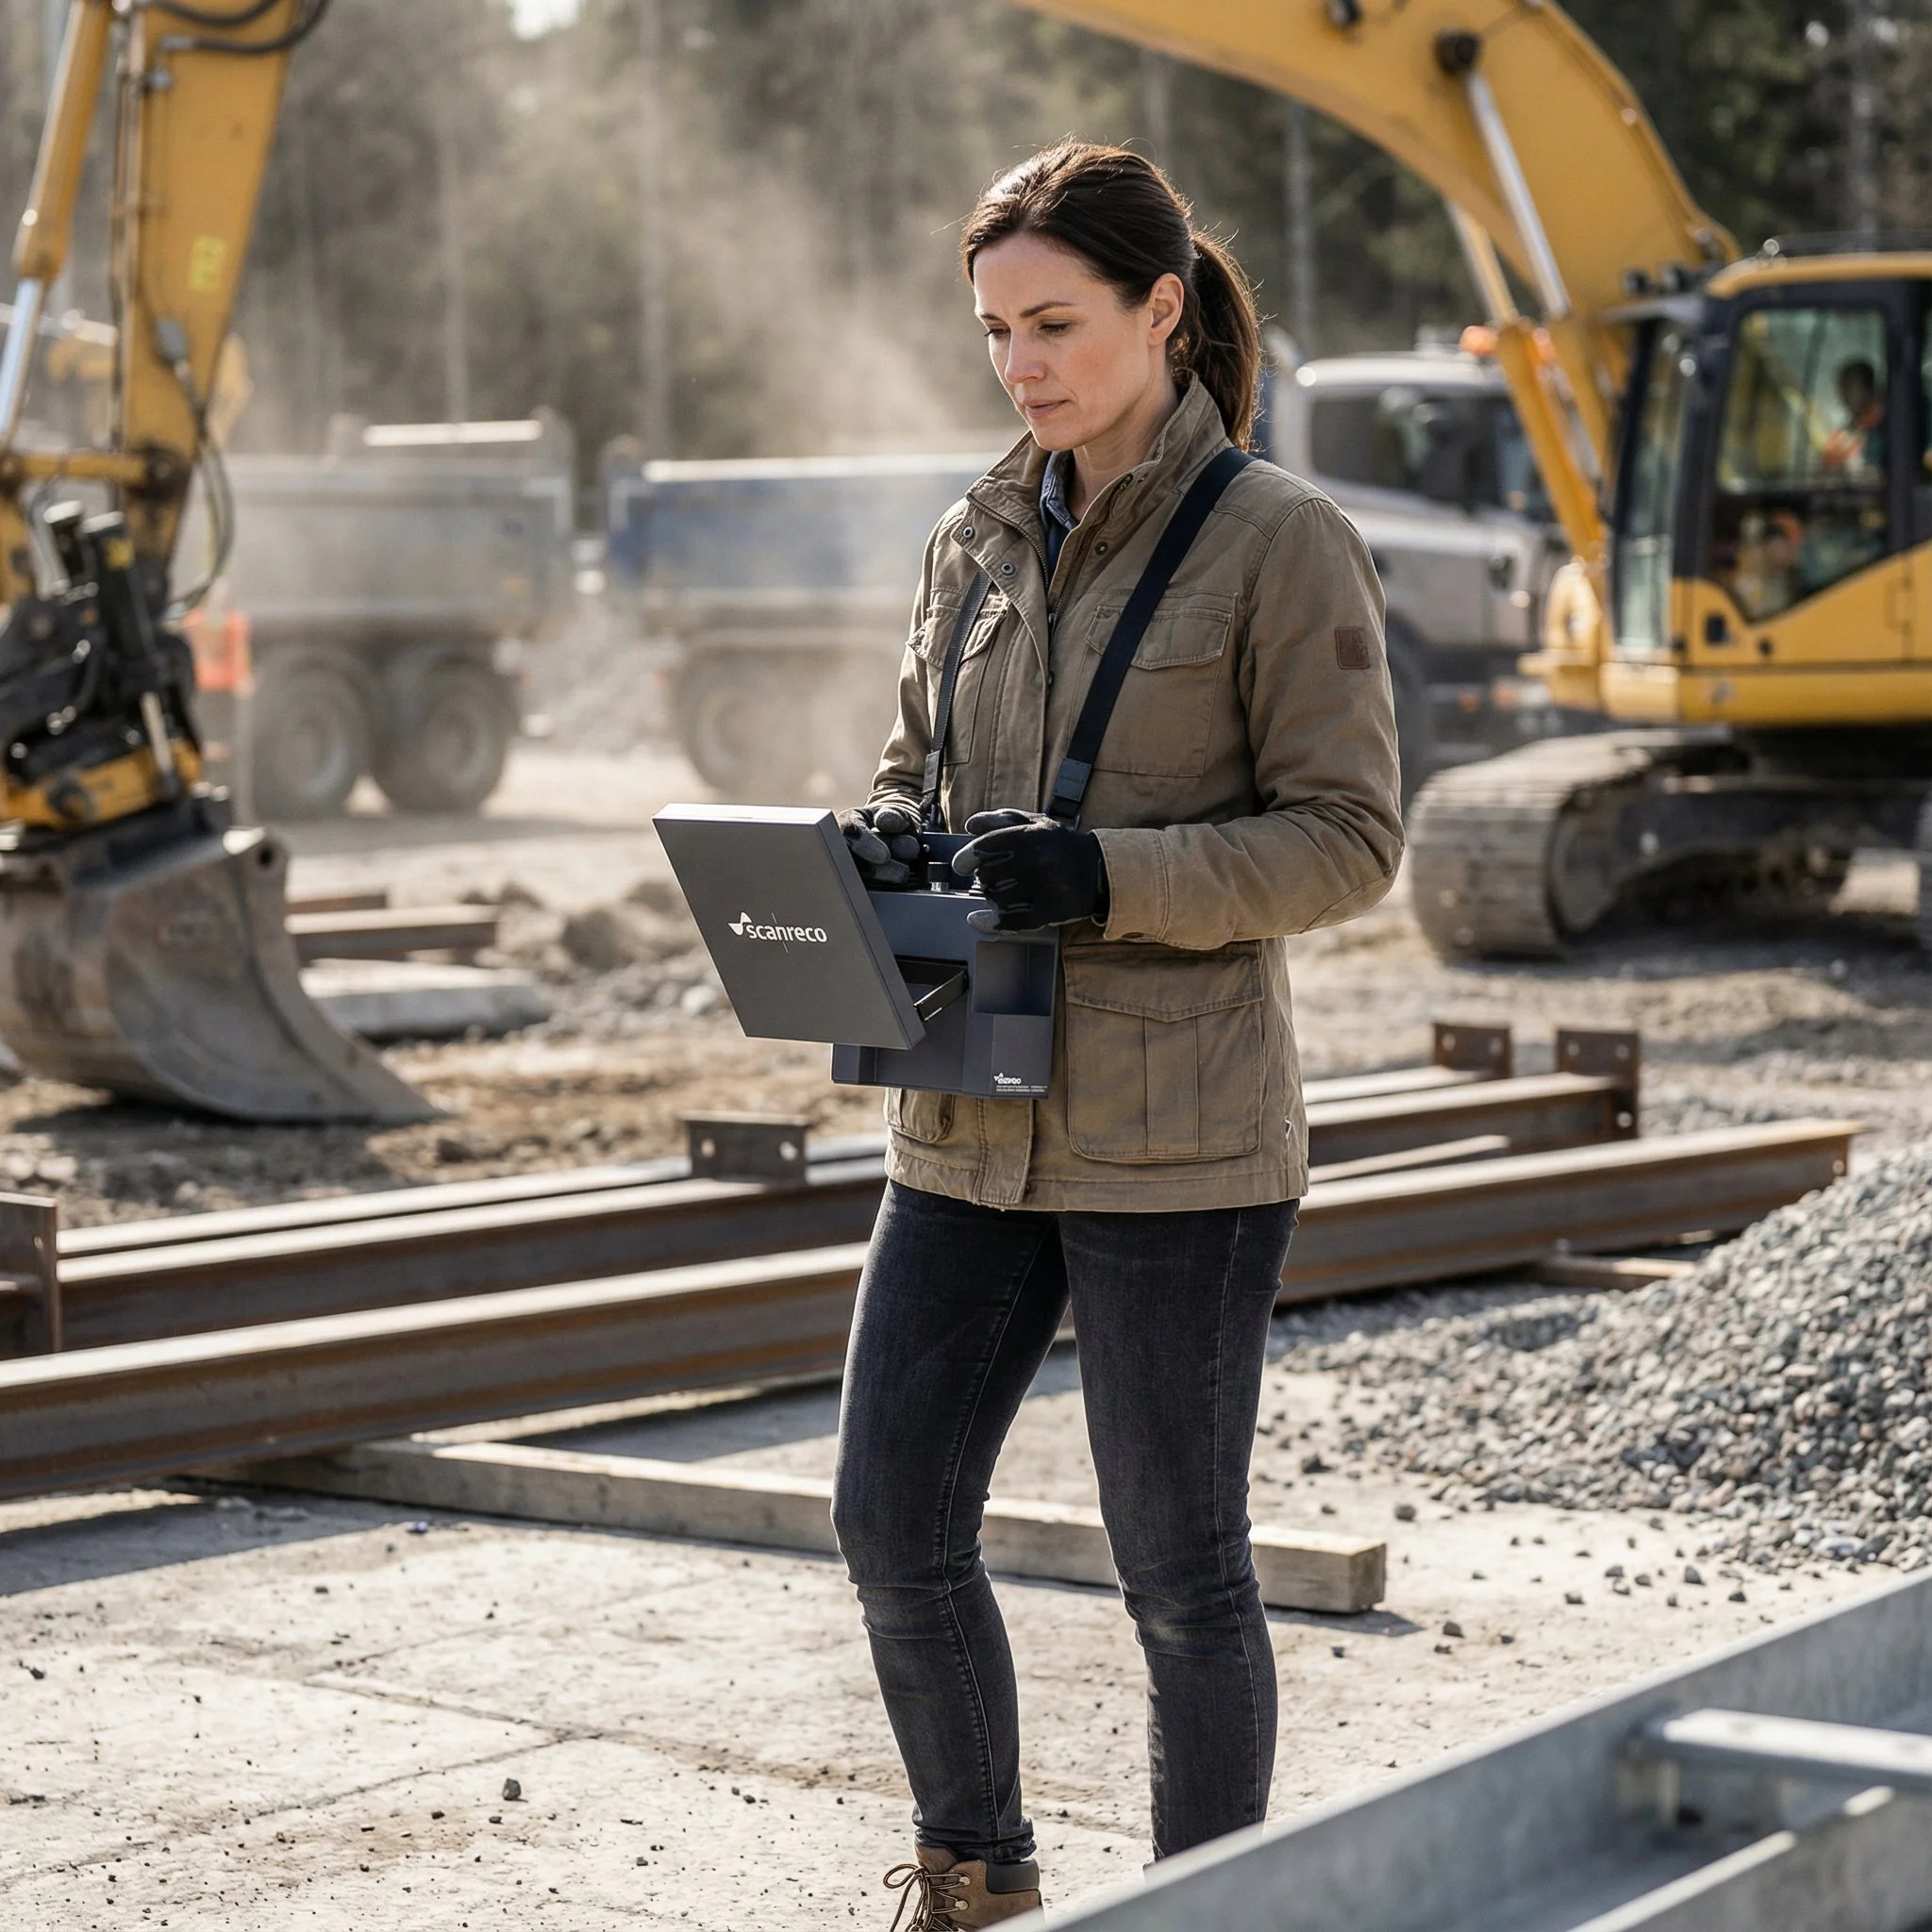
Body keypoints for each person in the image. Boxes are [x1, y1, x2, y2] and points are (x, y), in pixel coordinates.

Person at [829, 140, 1403, 1929]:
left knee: (1180, 1571)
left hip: (1185, 1137)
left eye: (1056, 322)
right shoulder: (974, 537)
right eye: (997, 331)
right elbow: (915, 765)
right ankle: (977, 1868)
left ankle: (1204, 1908)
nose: (1022, 366)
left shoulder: (1281, 542)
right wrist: (886, 845)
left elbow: (1349, 839)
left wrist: (1103, 873)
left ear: (1164, 311)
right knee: (887, 1516)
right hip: (963, 1115)